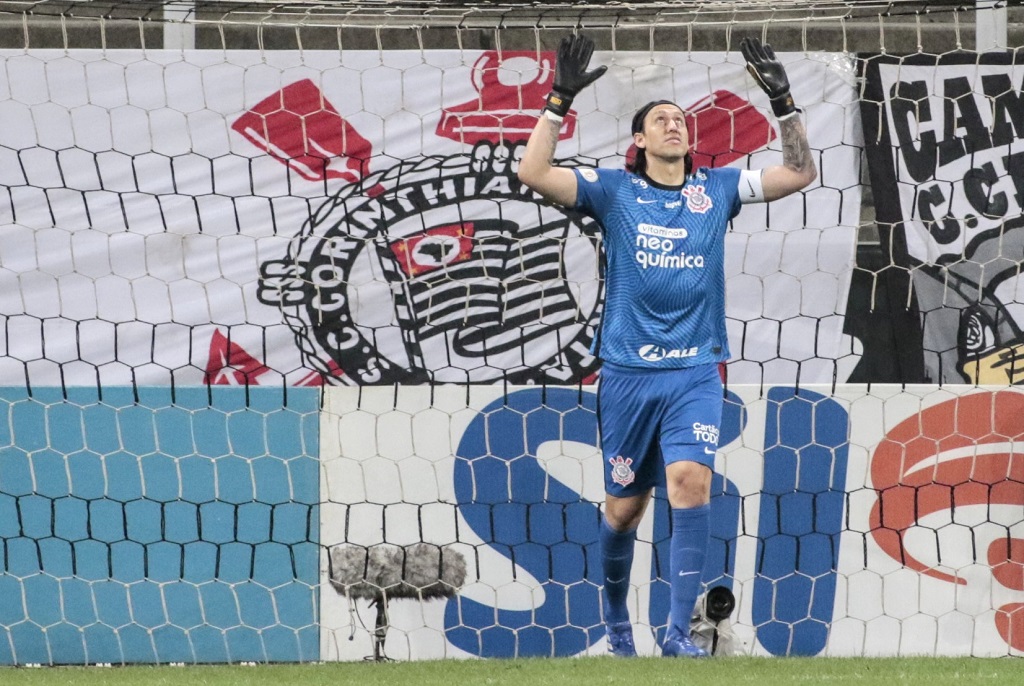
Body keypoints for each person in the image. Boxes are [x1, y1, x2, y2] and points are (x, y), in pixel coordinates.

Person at [517, 33, 817, 658]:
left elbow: (799, 172)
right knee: (625, 510)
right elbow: (533, 171)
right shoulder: (613, 191)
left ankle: (678, 636)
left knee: (690, 480)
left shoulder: (718, 190)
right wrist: (559, 99)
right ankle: (617, 626)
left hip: (695, 372)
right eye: (660, 120)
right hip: (627, 374)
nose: (673, 125)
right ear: (640, 142)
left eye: (679, 119)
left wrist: (784, 102)